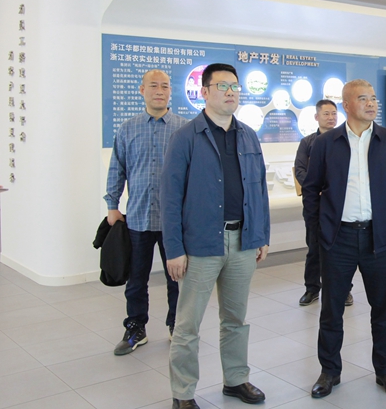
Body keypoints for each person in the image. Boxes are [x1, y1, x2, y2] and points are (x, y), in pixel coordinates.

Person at [161, 63, 270, 409]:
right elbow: (170, 197)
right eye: (223, 86)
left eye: (235, 86)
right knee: (187, 325)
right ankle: (183, 393)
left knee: (235, 319)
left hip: (243, 241)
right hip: (200, 245)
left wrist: (261, 235)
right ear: (204, 92)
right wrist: (174, 249)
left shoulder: (248, 135)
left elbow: (259, 190)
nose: (231, 92)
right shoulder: (185, 137)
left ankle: (236, 379)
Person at [303, 79, 386, 399]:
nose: (371, 103)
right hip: (338, 239)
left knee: (383, 311)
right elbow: (311, 189)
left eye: (373, 98)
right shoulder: (326, 143)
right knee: (332, 309)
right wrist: (319, 232)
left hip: (380, 238)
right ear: (347, 105)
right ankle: (329, 371)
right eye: (363, 98)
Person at [104, 69, 188, 356]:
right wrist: (112, 205)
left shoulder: (183, 129)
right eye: (153, 85)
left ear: (170, 91)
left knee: (177, 279)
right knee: (136, 280)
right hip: (138, 219)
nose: (159, 91)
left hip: (174, 222)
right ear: (142, 90)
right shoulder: (128, 128)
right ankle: (135, 328)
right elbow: (117, 169)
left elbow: (195, 175)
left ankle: (177, 325)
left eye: (165, 86)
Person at [294, 99, 353, 307]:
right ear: (316, 117)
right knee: (314, 248)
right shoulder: (307, 142)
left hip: (338, 204)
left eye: (334, 113)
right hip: (315, 203)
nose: (331, 118)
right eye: (326, 114)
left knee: (341, 249)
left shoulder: (344, 140)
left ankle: (344, 290)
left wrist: (332, 190)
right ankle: (312, 289)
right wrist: (316, 188)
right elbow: (300, 170)